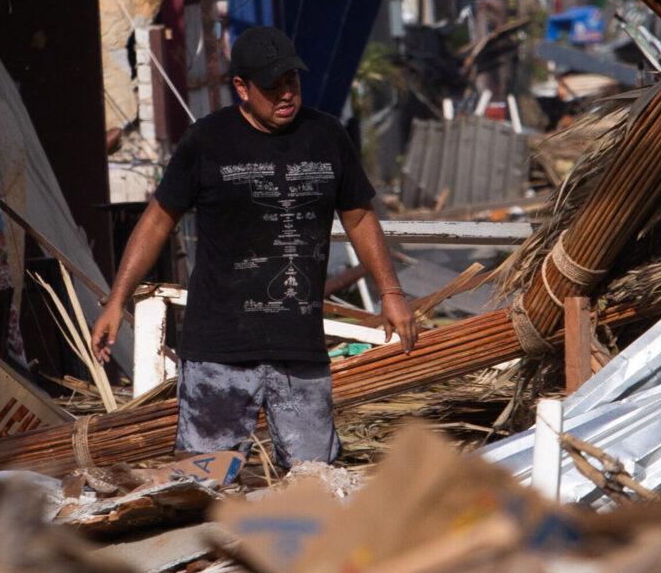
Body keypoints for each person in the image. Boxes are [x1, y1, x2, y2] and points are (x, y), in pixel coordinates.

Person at [88, 24, 416, 466]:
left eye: (292, 82)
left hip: (300, 349)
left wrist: (391, 294)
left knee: (314, 480)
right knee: (206, 485)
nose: (286, 95)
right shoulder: (207, 141)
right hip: (218, 353)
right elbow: (157, 221)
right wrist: (116, 301)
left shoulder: (327, 136)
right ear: (241, 87)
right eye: (272, 86)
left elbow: (358, 215)